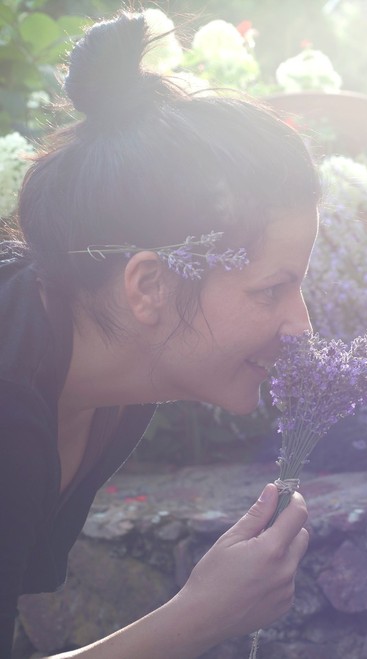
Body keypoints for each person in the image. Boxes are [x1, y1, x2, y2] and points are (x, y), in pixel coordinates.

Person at [1, 10, 322, 658]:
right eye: (270, 289)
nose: (302, 327)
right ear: (148, 287)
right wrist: (195, 618)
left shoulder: (109, 393)